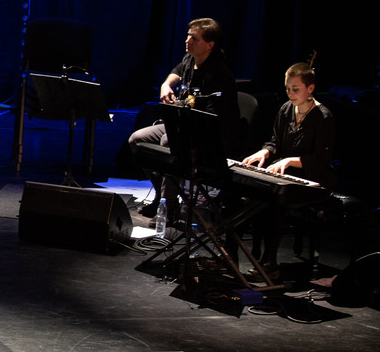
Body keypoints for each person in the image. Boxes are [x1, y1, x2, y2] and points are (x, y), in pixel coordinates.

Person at [127, 17, 239, 215]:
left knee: (168, 141)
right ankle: (161, 196)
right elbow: (177, 70)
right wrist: (166, 85)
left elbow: (212, 119)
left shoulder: (219, 74)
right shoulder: (190, 59)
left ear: (210, 45)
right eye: (188, 36)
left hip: (206, 135)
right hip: (182, 123)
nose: (187, 41)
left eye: (194, 38)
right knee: (137, 140)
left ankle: (168, 208)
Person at [239, 62, 335, 276]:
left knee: (273, 202)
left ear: (310, 89)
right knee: (251, 196)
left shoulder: (323, 117)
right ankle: (246, 257)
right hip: (288, 174)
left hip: (314, 179)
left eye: (295, 89)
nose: (290, 94)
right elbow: (275, 142)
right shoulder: (286, 109)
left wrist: (290, 160)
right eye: (287, 89)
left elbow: (321, 159)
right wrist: (264, 152)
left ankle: (269, 263)